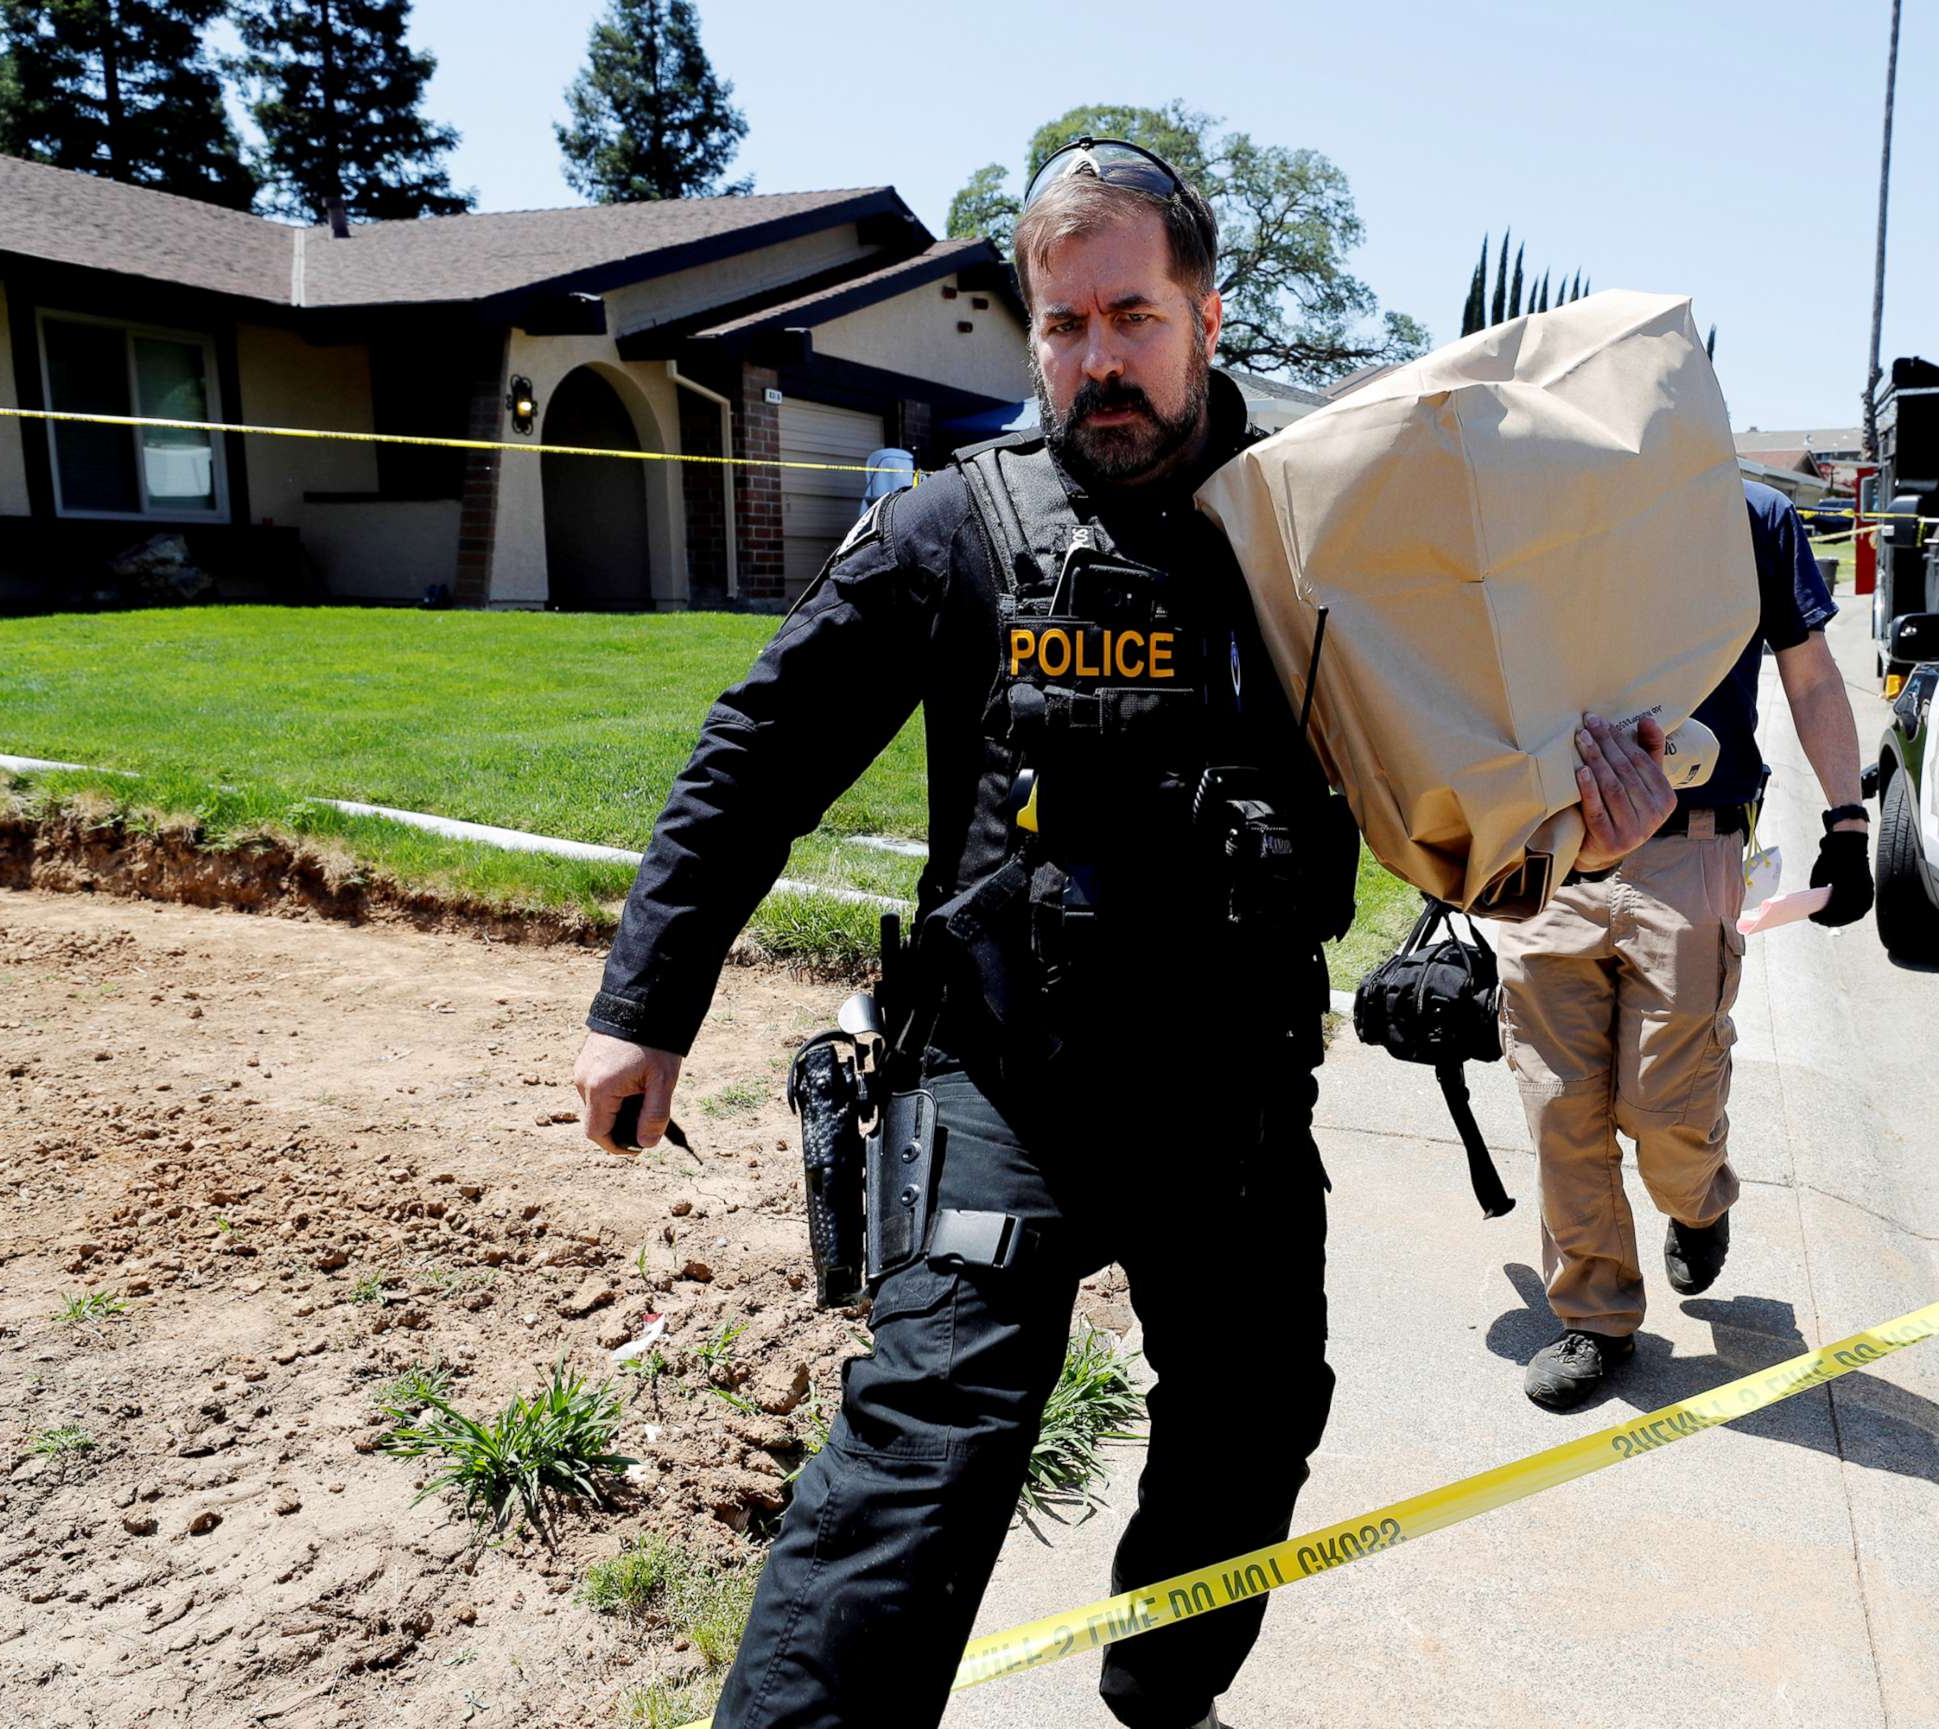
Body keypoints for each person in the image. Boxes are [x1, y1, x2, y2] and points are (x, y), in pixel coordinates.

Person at [568, 137, 1685, 1729]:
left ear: (1208, 315)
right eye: (1064, 322)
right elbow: (757, 754)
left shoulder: (1323, 537)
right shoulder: (952, 533)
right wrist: (648, 999)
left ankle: (1163, 1695)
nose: (1098, 358)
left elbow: (1456, 800)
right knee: (925, 1454)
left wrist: (1575, 834)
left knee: (1256, 1420)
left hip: (1230, 1091)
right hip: (1000, 1076)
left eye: (1133, 317)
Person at [1499, 480, 1872, 1411]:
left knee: (1667, 1103)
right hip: (1552, 844)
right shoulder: (1537, 502)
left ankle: (1700, 1197)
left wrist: (1848, 820)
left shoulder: (1752, 517)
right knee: (1559, 1104)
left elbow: (1813, 674)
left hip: (1689, 844)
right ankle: (1595, 1314)